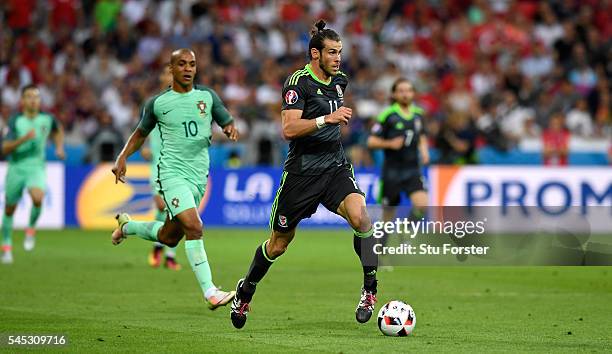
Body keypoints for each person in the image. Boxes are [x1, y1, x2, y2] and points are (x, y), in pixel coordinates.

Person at [230, 20, 379, 329]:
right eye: (332, 52)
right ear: (315, 53)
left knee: (362, 219)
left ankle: (370, 289)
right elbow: (288, 129)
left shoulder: (340, 81)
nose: (338, 58)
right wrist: (328, 119)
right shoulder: (298, 82)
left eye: (340, 52)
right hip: (302, 174)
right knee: (278, 245)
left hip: (335, 167)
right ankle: (245, 291)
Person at [111, 48, 239, 309]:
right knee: (195, 227)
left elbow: (226, 118)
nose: (188, 68)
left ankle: (127, 227)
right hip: (171, 174)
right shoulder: (158, 103)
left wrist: (229, 127)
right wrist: (122, 157)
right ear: (171, 69)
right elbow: (139, 133)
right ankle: (210, 291)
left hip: (198, 176)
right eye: (182, 64)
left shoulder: (207, 97)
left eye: (192, 64)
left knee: (170, 236)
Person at [367, 79, 429, 263]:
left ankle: (407, 231)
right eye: (401, 90)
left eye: (408, 90)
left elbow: (422, 135)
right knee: (388, 216)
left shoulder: (418, 114)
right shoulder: (387, 115)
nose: (405, 94)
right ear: (394, 94)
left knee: (423, 204)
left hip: (412, 169)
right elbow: (371, 141)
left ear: (413, 93)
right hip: (392, 172)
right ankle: (380, 251)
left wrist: (424, 151)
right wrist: (389, 143)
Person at [1, 84, 65, 264]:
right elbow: (5, 147)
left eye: (36, 97)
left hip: (36, 166)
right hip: (16, 167)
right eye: (29, 96)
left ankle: (30, 229)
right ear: (22, 101)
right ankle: (6, 247)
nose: (33, 100)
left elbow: (58, 130)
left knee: (38, 197)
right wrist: (23, 139)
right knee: (9, 209)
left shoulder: (47, 118)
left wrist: (59, 147)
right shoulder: (15, 121)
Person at [140, 64, 180, 271]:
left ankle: (168, 254)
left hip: (180, 165)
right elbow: (142, 130)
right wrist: (144, 148)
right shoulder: (154, 103)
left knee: (177, 209)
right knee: (162, 205)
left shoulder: (188, 102)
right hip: (158, 163)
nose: (170, 77)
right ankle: (159, 246)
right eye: (167, 73)